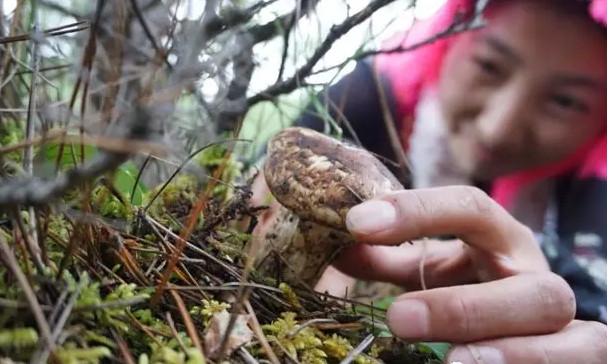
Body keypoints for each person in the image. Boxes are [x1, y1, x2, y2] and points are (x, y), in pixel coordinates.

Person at [251, 0, 607, 362]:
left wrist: (576, 325)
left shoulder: (596, 196)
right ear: (450, 38)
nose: (497, 130)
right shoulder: (360, 102)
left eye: (565, 101)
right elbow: (254, 185)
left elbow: (596, 308)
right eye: (489, 65)